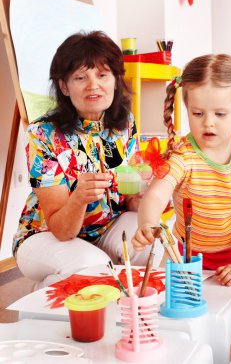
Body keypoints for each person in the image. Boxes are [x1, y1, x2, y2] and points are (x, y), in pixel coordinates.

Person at [132, 54, 231, 302]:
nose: (208, 123)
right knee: (189, 309)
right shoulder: (182, 154)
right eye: (198, 113)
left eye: (220, 114)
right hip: (189, 254)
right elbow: (156, 194)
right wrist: (148, 222)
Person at [13, 31, 152, 290]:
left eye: (102, 75)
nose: (93, 85)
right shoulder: (43, 133)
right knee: (95, 268)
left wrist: (149, 192)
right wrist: (79, 198)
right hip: (47, 235)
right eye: (80, 77)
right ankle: (48, 288)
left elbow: (132, 201)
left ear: (115, 80)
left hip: (104, 229)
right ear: (64, 86)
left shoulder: (125, 125)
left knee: (152, 238)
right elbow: (61, 229)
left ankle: (65, 283)